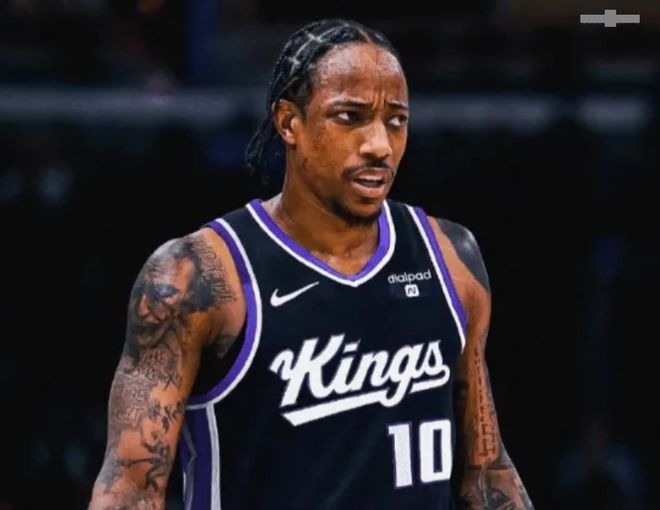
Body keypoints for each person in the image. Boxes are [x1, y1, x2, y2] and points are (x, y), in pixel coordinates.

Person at [88, 18, 534, 510]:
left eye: (396, 121)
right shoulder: (199, 276)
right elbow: (131, 487)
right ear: (289, 123)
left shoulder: (450, 257)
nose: (379, 145)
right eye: (350, 117)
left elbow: (486, 472)